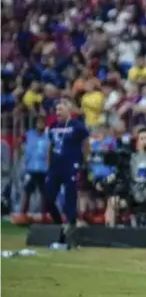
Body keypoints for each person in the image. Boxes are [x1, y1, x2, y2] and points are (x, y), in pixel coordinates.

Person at [104, 128, 146, 245]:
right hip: (134, 194)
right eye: (142, 138)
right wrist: (106, 181)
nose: (144, 141)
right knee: (113, 202)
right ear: (137, 141)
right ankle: (109, 233)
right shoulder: (131, 158)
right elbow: (118, 173)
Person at [44, 100, 90, 247]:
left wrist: (84, 161)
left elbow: (86, 144)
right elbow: (51, 146)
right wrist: (48, 164)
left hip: (71, 165)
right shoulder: (53, 126)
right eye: (56, 110)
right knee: (48, 197)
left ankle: (71, 223)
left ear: (68, 110)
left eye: (61, 110)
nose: (57, 113)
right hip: (55, 167)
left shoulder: (77, 126)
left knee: (71, 195)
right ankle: (59, 223)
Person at [18, 115, 50, 224]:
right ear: (35, 124)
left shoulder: (48, 136)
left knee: (44, 193)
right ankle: (23, 214)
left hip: (44, 169)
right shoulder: (29, 134)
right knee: (27, 192)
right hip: (31, 168)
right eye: (38, 122)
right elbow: (20, 142)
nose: (40, 124)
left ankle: (43, 216)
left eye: (42, 122)